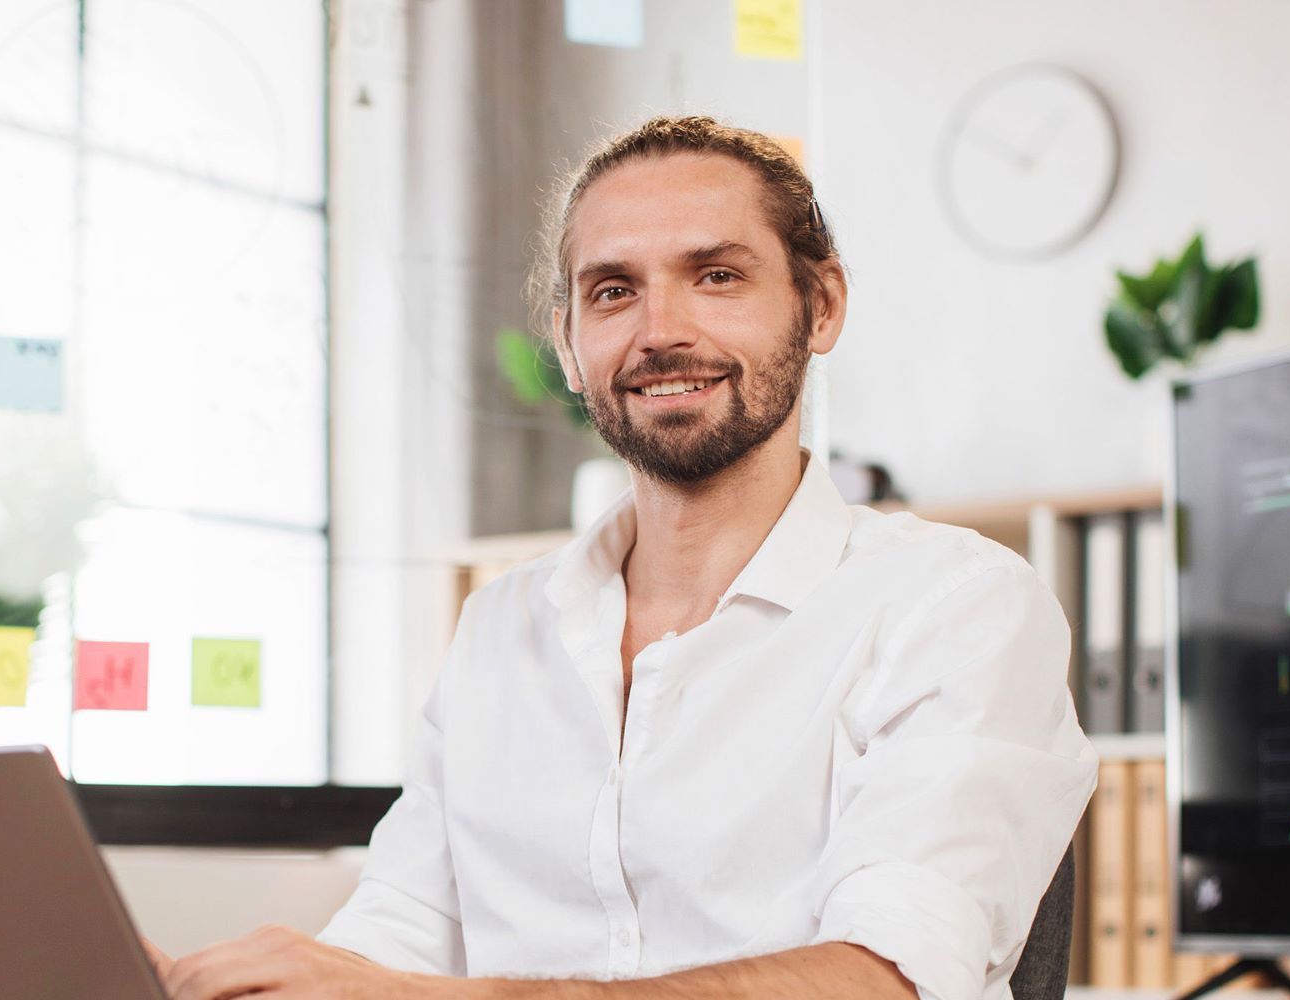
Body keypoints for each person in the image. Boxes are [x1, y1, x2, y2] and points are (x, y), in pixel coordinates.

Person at [142, 115, 1097, 1000]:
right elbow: (396, 938)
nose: (660, 331)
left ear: (821, 305)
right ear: (567, 340)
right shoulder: (501, 628)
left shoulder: (955, 605)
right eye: (613, 291)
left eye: (716, 275)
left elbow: (888, 978)